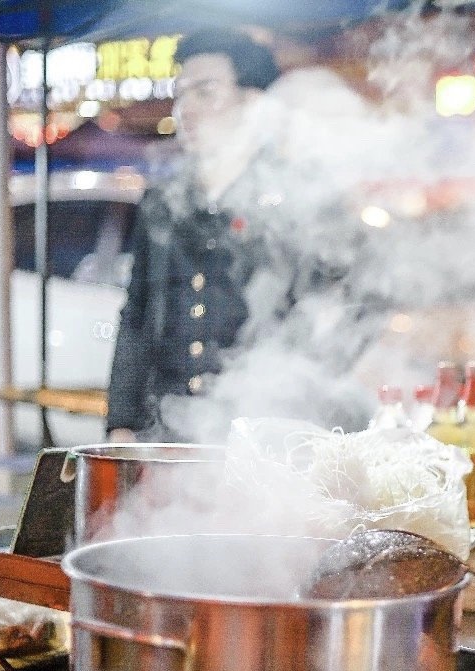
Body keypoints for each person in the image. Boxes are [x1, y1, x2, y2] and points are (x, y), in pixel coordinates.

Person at [106, 29, 282, 442]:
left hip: (255, 436)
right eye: (180, 94)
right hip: (166, 429)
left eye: (206, 92)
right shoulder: (162, 201)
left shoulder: (286, 202)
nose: (186, 109)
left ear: (253, 103)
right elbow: (136, 316)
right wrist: (122, 421)